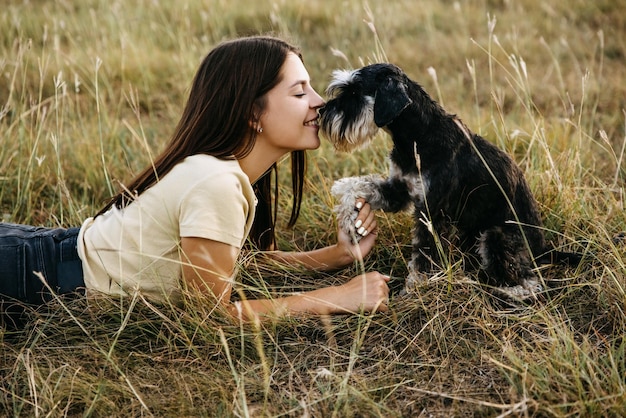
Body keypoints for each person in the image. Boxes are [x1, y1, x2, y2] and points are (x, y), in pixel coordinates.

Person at [0, 36, 390, 326]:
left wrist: (336, 257)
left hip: (43, 253)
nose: (319, 101)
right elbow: (213, 316)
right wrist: (339, 296)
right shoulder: (215, 182)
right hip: (34, 279)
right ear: (252, 113)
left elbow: (232, 265)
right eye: (299, 91)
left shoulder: (224, 172)